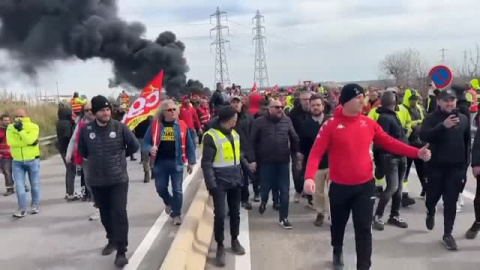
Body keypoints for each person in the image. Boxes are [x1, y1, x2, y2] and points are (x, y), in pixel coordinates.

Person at [304, 84, 431, 270]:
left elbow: (389, 142)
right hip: (340, 187)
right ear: (346, 101)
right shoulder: (330, 125)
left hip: (364, 186)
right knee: (338, 224)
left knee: (363, 229)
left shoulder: (368, 123)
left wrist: (416, 153)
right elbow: (315, 153)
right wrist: (309, 177)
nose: (362, 100)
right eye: (358, 97)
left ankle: (364, 265)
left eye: (363, 96)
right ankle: (337, 249)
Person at [77, 95, 139, 267]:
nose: (106, 113)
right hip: (97, 181)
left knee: (119, 213)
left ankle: (121, 250)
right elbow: (83, 152)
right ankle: (111, 239)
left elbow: (134, 146)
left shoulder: (120, 127)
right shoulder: (86, 130)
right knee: (105, 215)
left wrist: (118, 157)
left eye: (107, 109)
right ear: (94, 112)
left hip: (118, 179)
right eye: (102, 110)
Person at [420, 88, 470, 251]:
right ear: (439, 102)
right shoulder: (431, 118)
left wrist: (464, 167)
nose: (449, 103)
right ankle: (430, 210)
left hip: (455, 167)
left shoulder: (463, 119)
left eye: (452, 100)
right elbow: (424, 136)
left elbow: (467, 143)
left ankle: (448, 234)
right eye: (446, 100)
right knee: (432, 197)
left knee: (450, 202)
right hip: (436, 166)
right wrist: (443, 126)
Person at [201, 106, 246, 267]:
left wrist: (248, 170)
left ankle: (234, 239)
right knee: (220, 215)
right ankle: (220, 245)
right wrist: (211, 185)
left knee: (235, 213)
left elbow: (238, 156)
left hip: (235, 180)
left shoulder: (235, 134)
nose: (237, 119)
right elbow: (206, 164)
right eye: (235, 117)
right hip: (219, 182)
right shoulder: (210, 136)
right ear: (228, 119)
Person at [144, 99, 196, 226]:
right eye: (170, 110)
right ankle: (169, 202)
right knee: (160, 188)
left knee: (177, 189)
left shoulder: (182, 125)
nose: (173, 112)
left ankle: (176, 214)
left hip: (177, 162)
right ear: (163, 112)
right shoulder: (155, 126)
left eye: (174, 109)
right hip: (160, 163)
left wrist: (191, 162)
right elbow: (145, 143)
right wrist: (150, 148)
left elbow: (189, 145)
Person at [250, 99, 300, 229]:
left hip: (283, 161)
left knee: (284, 190)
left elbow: (294, 137)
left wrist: (297, 154)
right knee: (265, 188)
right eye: (276, 107)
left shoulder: (287, 121)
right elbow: (252, 142)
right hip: (265, 162)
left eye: (281, 107)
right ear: (269, 109)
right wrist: (252, 160)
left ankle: (284, 218)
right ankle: (264, 201)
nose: (280, 109)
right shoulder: (258, 122)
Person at [372, 91, 409, 231]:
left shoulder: (392, 116)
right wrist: (380, 159)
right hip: (390, 157)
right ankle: (378, 215)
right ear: (394, 103)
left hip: (400, 156)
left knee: (398, 189)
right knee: (392, 187)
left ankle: (394, 215)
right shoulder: (385, 118)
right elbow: (381, 141)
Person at [298, 95, 331, 227]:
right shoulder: (305, 125)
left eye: (318, 105)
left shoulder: (331, 121)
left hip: (333, 163)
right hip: (316, 165)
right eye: (313, 105)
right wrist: (301, 160)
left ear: (323, 106)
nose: (316, 108)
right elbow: (303, 146)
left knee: (333, 191)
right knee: (318, 192)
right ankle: (320, 213)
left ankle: (333, 213)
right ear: (309, 107)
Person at [66, 102, 99, 220]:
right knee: (89, 184)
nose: (89, 112)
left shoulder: (102, 121)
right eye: (86, 110)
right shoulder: (81, 124)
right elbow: (73, 139)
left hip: (101, 159)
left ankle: (107, 205)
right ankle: (98, 207)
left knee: (104, 183)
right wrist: (69, 153)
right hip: (86, 159)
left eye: (91, 109)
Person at [7, 109, 41, 218]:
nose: (18, 118)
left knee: (34, 184)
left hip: (32, 159)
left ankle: (35, 205)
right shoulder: (10, 127)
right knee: (19, 185)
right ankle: (22, 209)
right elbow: (11, 142)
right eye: (16, 116)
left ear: (26, 115)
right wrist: (26, 141)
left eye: (21, 116)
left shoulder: (34, 126)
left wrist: (21, 131)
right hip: (17, 161)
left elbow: (31, 140)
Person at [400, 89, 427, 204]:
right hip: (407, 144)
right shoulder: (401, 109)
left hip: (419, 143)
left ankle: (426, 189)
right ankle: (403, 194)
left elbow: (426, 120)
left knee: (423, 170)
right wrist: (412, 125)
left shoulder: (420, 108)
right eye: (411, 99)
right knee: (404, 171)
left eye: (415, 99)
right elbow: (401, 127)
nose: (414, 101)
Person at [288, 90, 312, 204]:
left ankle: (310, 196)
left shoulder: (316, 110)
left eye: (309, 99)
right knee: (297, 171)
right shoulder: (294, 113)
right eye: (304, 99)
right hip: (297, 147)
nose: (307, 102)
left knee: (311, 171)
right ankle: (298, 190)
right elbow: (290, 132)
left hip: (313, 147)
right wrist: (295, 149)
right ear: (300, 100)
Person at [56, 106, 77, 201]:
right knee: (71, 171)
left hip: (62, 149)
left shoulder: (59, 122)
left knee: (69, 170)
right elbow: (68, 136)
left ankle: (68, 192)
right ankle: (70, 193)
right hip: (67, 149)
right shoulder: (66, 123)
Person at [133, 116, 153, 183]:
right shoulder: (154, 116)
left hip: (143, 137)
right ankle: (152, 171)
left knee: (146, 157)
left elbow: (136, 127)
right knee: (152, 155)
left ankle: (147, 172)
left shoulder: (139, 115)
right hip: (150, 137)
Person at [0, 114, 14, 196]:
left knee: (17, 172)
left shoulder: (13, 129)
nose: (7, 122)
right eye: (5, 120)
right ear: (1, 121)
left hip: (15, 154)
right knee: (7, 172)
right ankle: (10, 188)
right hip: (4, 155)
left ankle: (22, 186)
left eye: (8, 120)